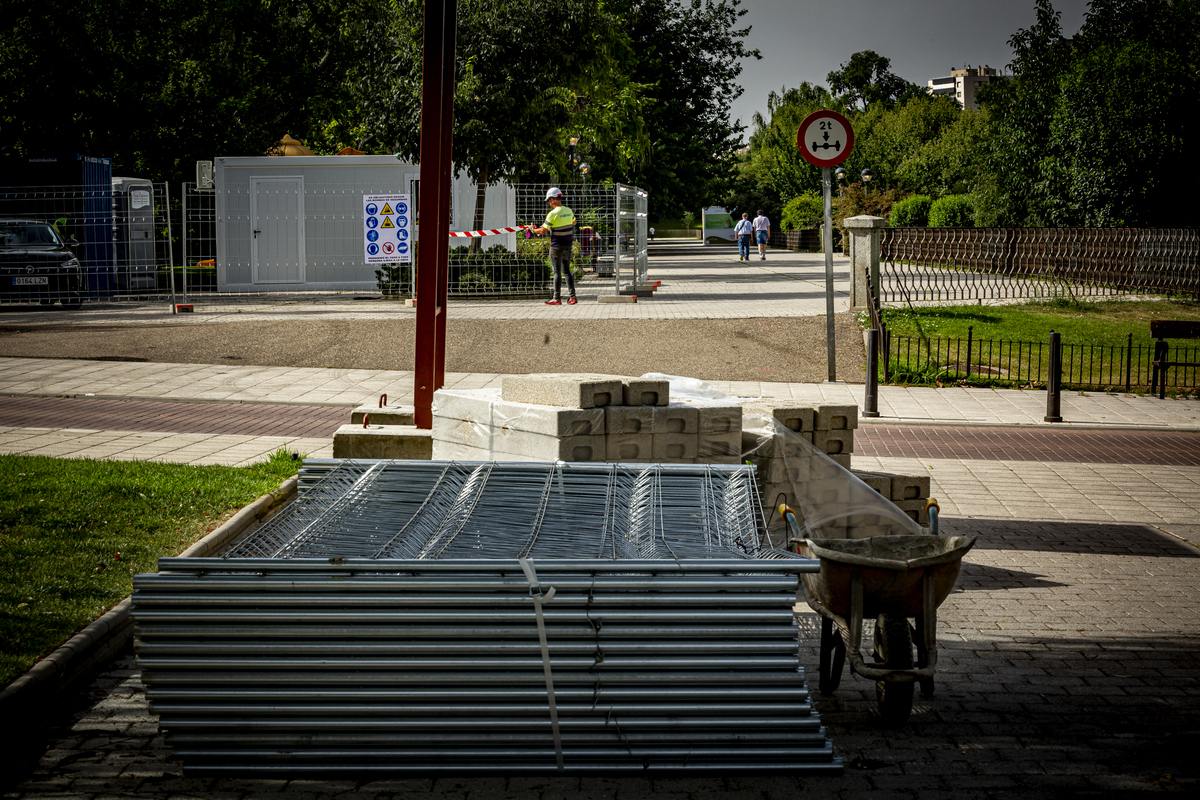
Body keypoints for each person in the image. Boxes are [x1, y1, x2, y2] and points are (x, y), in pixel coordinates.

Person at [530, 187, 577, 305]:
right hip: (568, 244)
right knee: (567, 271)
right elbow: (574, 222)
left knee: (556, 271)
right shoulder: (568, 210)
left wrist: (533, 230)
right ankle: (573, 297)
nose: (549, 203)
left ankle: (557, 298)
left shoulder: (552, 214)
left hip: (556, 245)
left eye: (548, 201)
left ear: (552, 200)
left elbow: (542, 231)